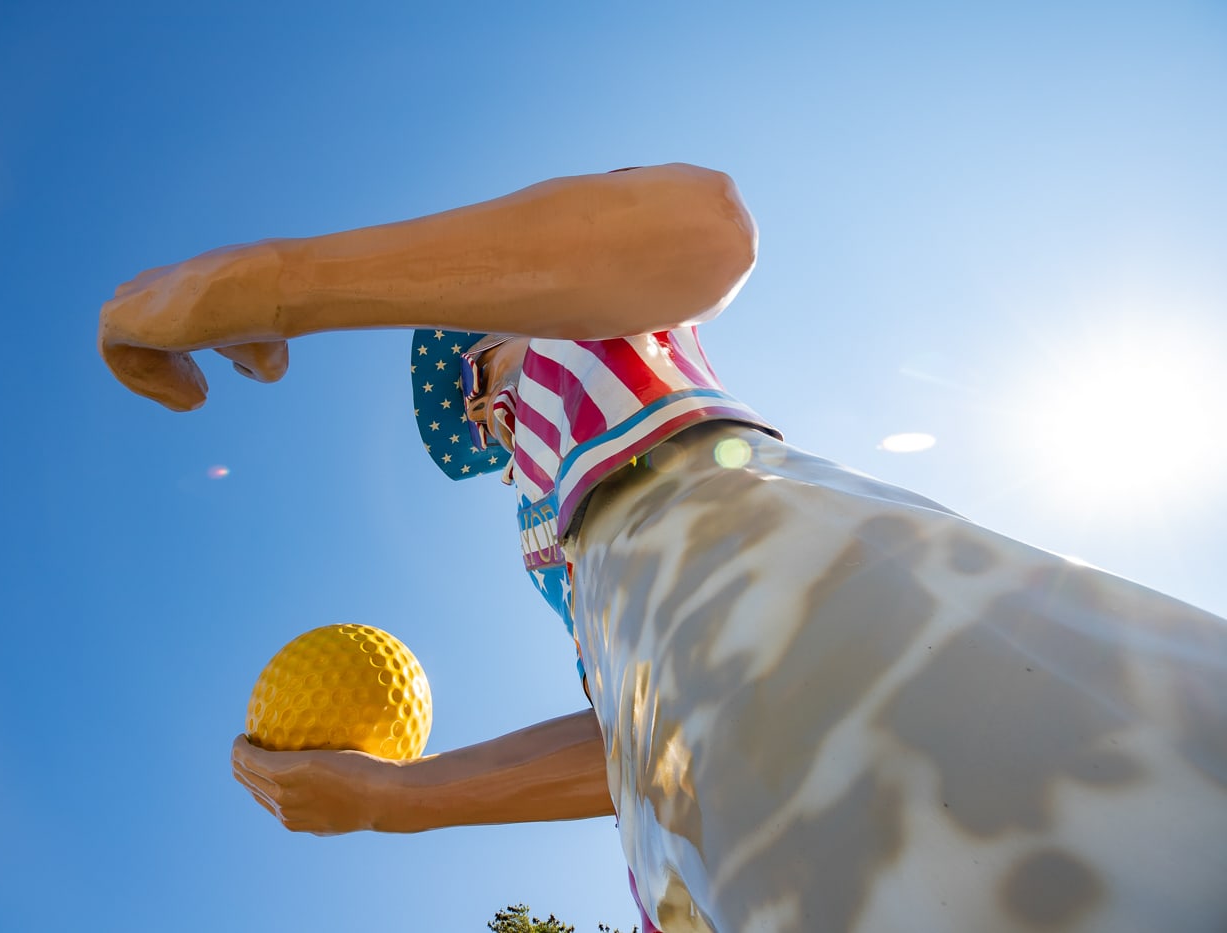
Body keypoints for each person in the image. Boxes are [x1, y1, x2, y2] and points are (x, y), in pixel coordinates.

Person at [99, 164, 1227, 933]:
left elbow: (701, 227)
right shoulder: (548, 536)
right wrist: (404, 800)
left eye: (479, 360)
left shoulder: (600, 327)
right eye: (471, 410)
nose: (484, 403)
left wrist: (272, 286)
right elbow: (638, 727)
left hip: (846, 616)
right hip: (696, 845)